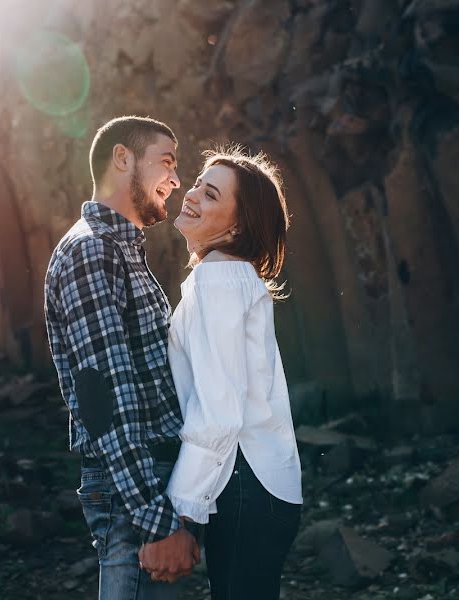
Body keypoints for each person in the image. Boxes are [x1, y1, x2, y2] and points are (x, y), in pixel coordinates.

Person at [44, 115, 201, 599]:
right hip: (134, 491)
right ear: (122, 158)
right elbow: (107, 398)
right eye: (167, 163)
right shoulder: (92, 252)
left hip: (145, 484)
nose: (176, 179)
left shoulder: (121, 250)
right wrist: (157, 520)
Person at [144, 145, 303, 599]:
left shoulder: (221, 278)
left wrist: (182, 518)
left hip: (244, 487)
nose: (192, 194)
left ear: (236, 225)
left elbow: (219, 411)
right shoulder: (227, 276)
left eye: (210, 194)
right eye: (198, 183)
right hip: (256, 487)